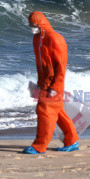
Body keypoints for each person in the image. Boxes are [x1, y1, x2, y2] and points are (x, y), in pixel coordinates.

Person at [23, 11, 79, 154]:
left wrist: (56, 86)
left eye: (34, 25)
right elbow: (41, 63)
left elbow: (61, 65)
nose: (32, 28)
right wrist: (40, 82)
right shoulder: (37, 39)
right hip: (44, 83)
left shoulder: (55, 39)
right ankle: (72, 141)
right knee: (58, 113)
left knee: (44, 111)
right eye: (30, 25)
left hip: (53, 85)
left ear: (41, 24)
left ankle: (39, 145)